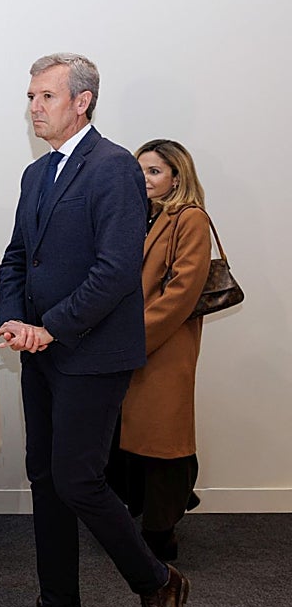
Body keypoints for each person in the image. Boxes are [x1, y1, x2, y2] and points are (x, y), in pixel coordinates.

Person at [0, 53, 189, 607]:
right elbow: (17, 258)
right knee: (46, 479)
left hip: (92, 355)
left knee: (78, 479)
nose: (34, 107)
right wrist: (16, 321)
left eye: (46, 96)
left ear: (82, 101)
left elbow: (116, 271)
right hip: (41, 352)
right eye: (30, 97)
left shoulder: (114, 168)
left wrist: (50, 327)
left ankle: (158, 584)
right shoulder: (35, 175)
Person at [115, 139, 211, 561]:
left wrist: (134, 337)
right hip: (133, 342)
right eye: (141, 171)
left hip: (165, 346)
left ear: (177, 176)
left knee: (164, 443)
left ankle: (160, 531)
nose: (145, 178)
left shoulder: (189, 219)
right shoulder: (142, 216)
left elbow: (181, 293)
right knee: (131, 437)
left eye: (154, 171)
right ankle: (149, 515)